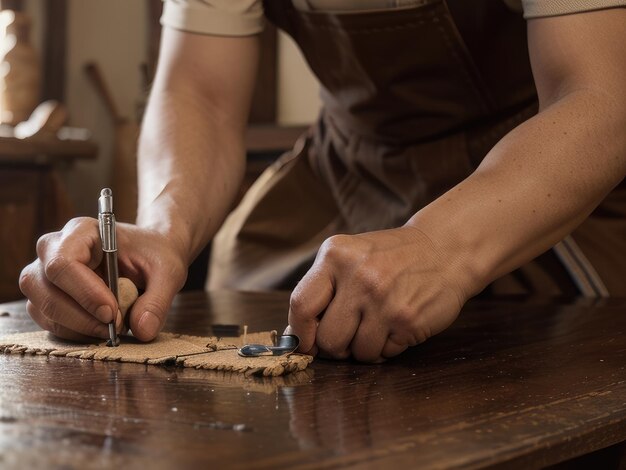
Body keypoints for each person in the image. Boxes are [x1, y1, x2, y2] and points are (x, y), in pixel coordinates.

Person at [19, 0, 626, 363]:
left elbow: (601, 97)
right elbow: (199, 92)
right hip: (348, 164)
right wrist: (162, 227)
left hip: (542, 164)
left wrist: (442, 247)